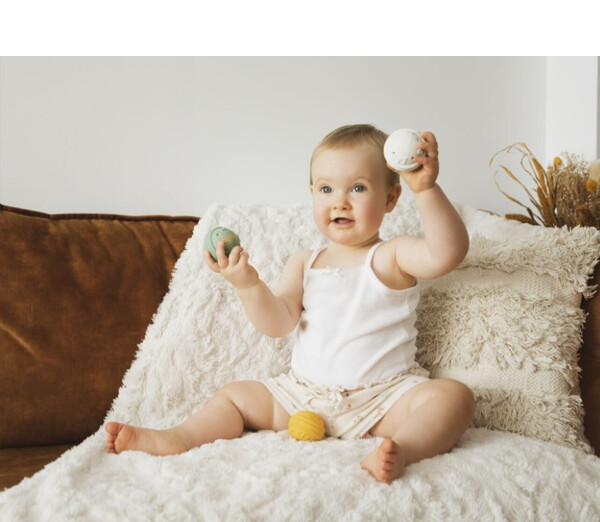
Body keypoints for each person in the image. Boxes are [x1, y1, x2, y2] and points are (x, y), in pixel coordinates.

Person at [106, 124, 475, 483]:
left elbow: (447, 254)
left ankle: (403, 449)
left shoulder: (392, 255)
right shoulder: (304, 262)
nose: (340, 201)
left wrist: (425, 189)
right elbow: (278, 323)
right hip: (302, 397)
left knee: (454, 397)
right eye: (326, 189)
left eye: (358, 188)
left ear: (391, 198)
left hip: (382, 400)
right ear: (312, 193)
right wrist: (246, 283)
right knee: (234, 396)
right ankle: (179, 437)